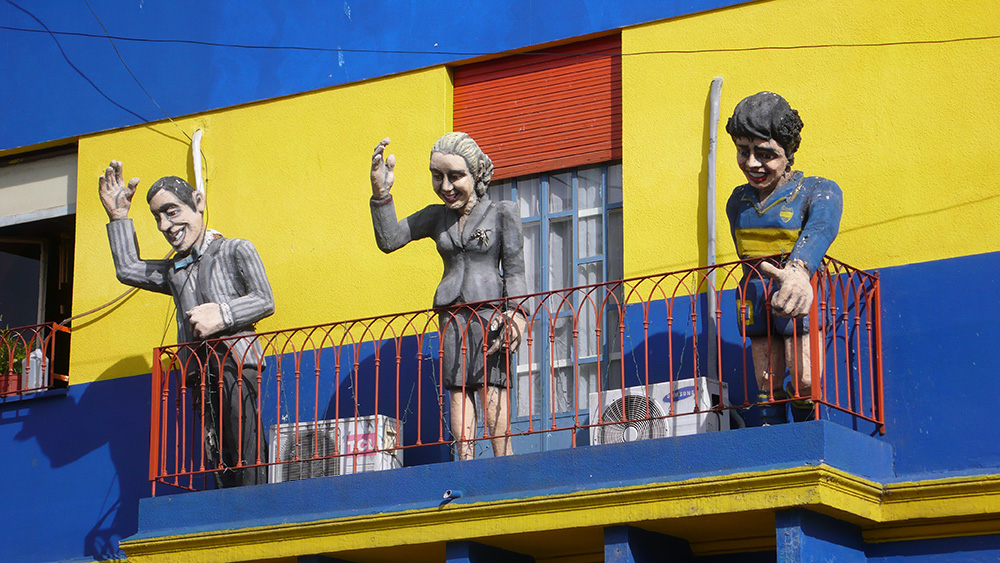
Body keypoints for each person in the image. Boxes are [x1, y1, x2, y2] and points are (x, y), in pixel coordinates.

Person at [99, 161, 275, 487]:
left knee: (243, 436)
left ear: (198, 203)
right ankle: (227, 500)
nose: (166, 225)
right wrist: (118, 217)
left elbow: (265, 299)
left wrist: (221, 314)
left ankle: (253, 498)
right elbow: (128, 269)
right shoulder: (174, 270)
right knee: (215, 445)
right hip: (198, 370)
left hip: (236, 362)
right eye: (158, 218)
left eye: (172, 211)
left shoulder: (236, 249)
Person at [369, 133, 527, 460]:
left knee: (492, 389)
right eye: (437, 176)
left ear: (477, 173)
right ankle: (465, 463)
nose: (446, 186)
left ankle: (504, 461)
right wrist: (381, 194)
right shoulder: (436, 216)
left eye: (455, 176)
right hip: (452, 315)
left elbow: (514, 270)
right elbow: (389, 239)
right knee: (458, 389)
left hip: (491, 314)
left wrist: (517, 315)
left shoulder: (502, 212)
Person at [724, 92, 843, 424]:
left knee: (805, 377)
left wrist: (798, 268)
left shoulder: (818, 190)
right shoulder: (738, 202)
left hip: (798, 291)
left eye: (765, 154)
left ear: (787, 153)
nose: (752, 164)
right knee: (766, 380)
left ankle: (806, 426)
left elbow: (821, 228)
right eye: (743, 152)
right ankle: (772, 432)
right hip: (754, 293)